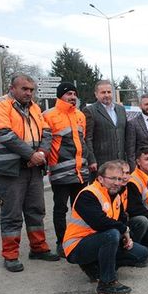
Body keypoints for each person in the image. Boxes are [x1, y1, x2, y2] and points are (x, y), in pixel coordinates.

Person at [0, 73, 58, 272]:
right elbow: (5, 135)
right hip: (9, 171)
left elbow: (47, 132)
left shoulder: (35, 108)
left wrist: (42, 154)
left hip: (33, 168)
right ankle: (10, 255)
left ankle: (38, 248)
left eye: (31, 90)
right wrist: (31, 155)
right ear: (12, 88)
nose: (29, 93)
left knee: (36, 210)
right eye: (24, 89)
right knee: (11, 214)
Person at [63, 161, 148, 294]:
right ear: (101, 178)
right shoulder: (88, 194)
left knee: (142, 254)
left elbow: (120, 220)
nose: (117, 182)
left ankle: (97, 267)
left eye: (119, 179)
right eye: (112, 178)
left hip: (101, 239)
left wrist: (127, 237)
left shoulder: (116, 195)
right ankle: (106, 283)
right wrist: (124, 230)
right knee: (112, 234)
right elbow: (99, 223)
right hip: (77, 246)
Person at [43, 82, 91, 257]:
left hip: (80, 172)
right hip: (61, 173)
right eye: (68, 94)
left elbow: (82, 141)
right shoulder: (48, 115)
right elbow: (46, 143)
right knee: (60, 209)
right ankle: (61, 242)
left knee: (80, 208)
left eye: (74, 94)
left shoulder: (80, 115)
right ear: (60, 95)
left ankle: (79, 238)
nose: (72, 97)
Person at [84, 80, 127, 172]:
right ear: (96, 94)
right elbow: (88, 138)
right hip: (101, 164)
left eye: (109, 92)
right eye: (103, 92)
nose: (107, 95)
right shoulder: (90, 111)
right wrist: (91, 160)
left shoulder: (121, 110)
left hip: (120, 163)